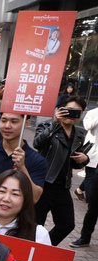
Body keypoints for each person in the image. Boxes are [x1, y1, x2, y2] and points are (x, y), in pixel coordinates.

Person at [34, 96, 88, 246]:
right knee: (36, 225)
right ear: (61, 110)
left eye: (77, 111)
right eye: (68, 110)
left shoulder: (79, 135)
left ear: (81, 114)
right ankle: (30, 257)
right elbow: (37, 143)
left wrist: (84, 160)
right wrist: (55, 124)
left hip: (63, 186)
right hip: (43, 184)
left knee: (67, 224)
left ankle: (44, 248)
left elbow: (73, 164)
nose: (71, 114)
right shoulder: (47, 125)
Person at [0, 113, 48, 202]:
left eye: (14, 122)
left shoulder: (38, 160)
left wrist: (22, 168)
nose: (7, 126)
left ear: (26, 123)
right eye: (3, 121)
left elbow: (34, 198)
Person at [70, 107, 98, 248]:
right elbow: (88, 126)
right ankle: (85, 237)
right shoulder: (93, 113)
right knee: (93, 204)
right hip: (94, 162)